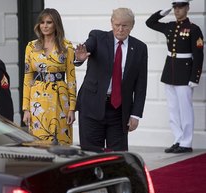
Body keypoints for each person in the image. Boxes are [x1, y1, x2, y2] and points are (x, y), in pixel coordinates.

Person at [75, 8, 148, 151]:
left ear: (132, 26)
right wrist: (79, 58)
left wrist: (135, 114)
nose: (120, 29)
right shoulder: (97, 37)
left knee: (118, 157)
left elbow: (141, 84)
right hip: (92, 107)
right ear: (111, 23)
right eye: (117, 25)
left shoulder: (140, 48)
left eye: (125, 25)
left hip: (119, 111)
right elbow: (87, 47)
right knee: (91, 155)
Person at [146, 0, 204, 153]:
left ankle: (186, 142)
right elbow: (150, 22)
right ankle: (178, 139)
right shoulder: (170, 26)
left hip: (185, 74)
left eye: (180, 7)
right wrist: (164, 11)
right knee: (173, 109)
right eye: (175, 8)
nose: (177, 10)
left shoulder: (193, 29)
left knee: (185, 109)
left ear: (187, 8)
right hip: (169, 72)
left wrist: (194, 77)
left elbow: (198, 55)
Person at [22, 8, 77, 145]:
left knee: (62, 143)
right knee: (39, 144)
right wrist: (26, 109)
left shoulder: (67, 46)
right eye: (42, 22)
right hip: (37, 100)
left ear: (56, 24)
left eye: (49, 22)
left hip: (60, 98)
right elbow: (27, 78)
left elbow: (71, 78)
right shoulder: (31, 46)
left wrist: (72, 108)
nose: (45, 26)